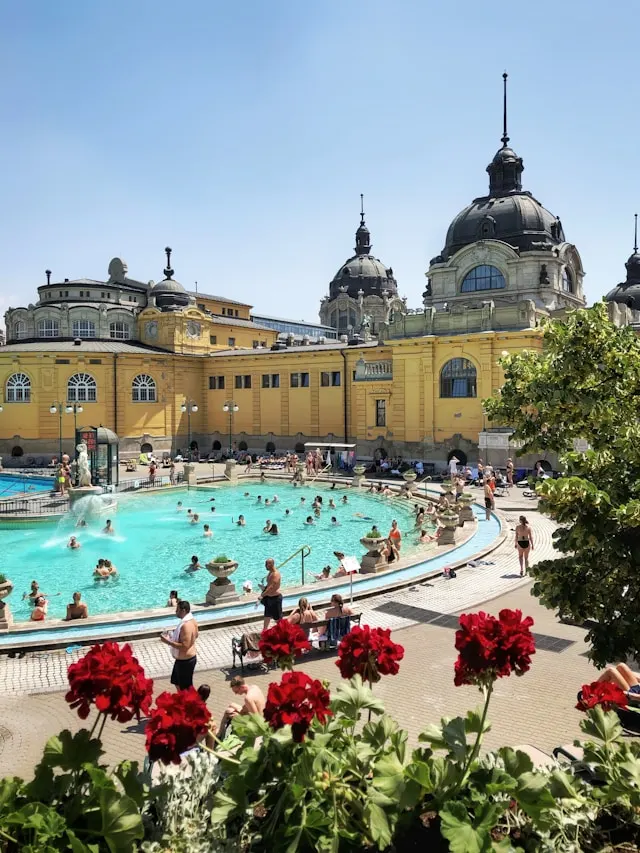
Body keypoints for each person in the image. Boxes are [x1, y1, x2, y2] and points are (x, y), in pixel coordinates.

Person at [161, 600, 199, 691]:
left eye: (177, 610)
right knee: (176, 682)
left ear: (184, 610)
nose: (175, 612)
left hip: (186, 661)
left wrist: (168, 641)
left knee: (185, 688)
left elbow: (184, 646)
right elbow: (196, 635)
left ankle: (192, 703)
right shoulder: (192, 620)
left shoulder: (186, 625)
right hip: (183, 660)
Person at [259, 558, 282, 629]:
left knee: (278, 619)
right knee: (267, 616)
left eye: (266, 564)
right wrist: (264, 588)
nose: (265, 566)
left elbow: (271, 587)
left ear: (271, 564)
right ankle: (264, 631)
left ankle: (283, 632)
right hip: (269, 598)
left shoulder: (275, 574)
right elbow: (268, 585)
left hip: (275, 599)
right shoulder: (270, 573)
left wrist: (262, 595)